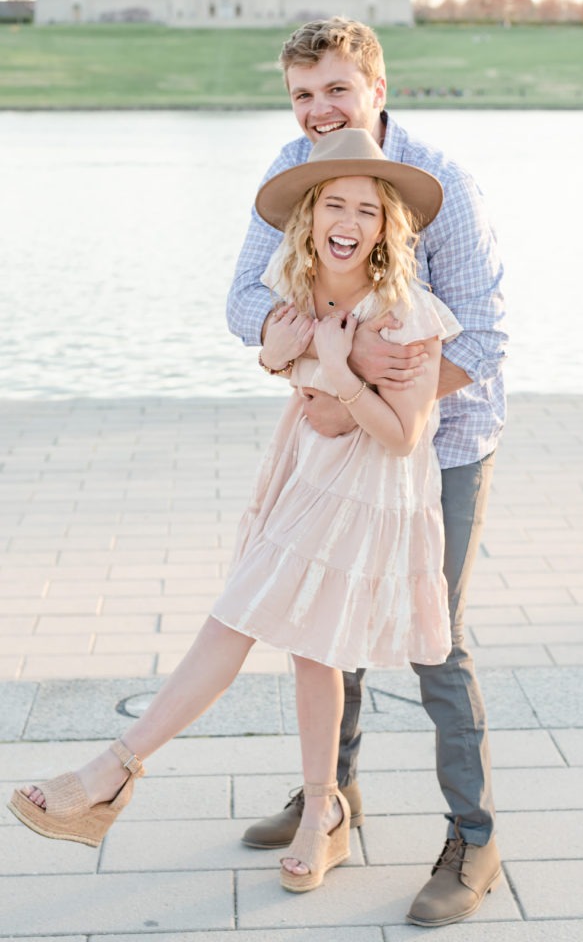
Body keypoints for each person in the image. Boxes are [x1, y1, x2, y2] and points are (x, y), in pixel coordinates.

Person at [7, 127, 462, 896]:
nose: (348, 223)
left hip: (366, 487)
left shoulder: (402, 309)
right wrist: (286, 356)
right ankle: (325, 814)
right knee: (312, 650)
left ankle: (112, 770)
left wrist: (342, 380)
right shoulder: (300, 294)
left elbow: (407, 433)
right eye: (334, 206)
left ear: (387, 226)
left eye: (366, 210)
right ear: (310, 215)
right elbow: (289, 359)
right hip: (304, 469)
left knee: (236, 617)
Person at [227, 16, 507, 927]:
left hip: (444, 440)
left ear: (376, 90)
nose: (318, 111)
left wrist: (396, 381)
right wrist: (318, 366)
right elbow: (244, 303)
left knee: (438, 641)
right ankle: (329, 804)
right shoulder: (292, 171)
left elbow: (489, 334)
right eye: (303, 94)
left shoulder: (443, 183)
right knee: (324, 621)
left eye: (337, 91)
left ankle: (474, 839)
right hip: (337, 436)